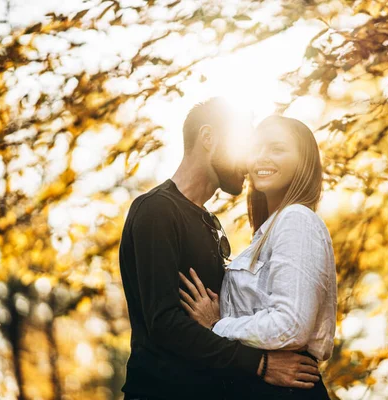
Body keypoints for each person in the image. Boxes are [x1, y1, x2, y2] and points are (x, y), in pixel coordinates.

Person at [118, 99, 321, 400]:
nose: (248, 161)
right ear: (208, 138)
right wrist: (260, 364)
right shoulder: (156, 210)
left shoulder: (208, 220)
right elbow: (165, 323)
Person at [179, 115, 337, 400]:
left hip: (286, 388)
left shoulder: (296, 219)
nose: (262, 158)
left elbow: (291, 325)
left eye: (277, 149)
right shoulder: (271, 229)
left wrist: (217, 326)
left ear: (304, 162)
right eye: (257, 148)